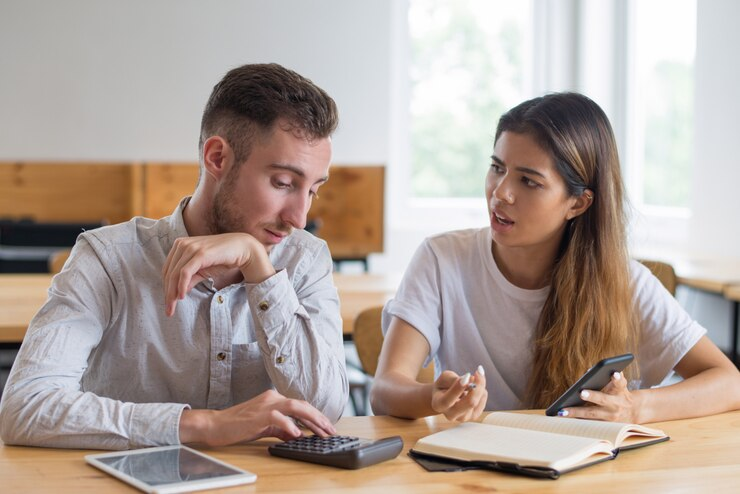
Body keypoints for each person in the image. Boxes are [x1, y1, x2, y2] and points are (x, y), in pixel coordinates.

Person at [0, 63, 348, 449]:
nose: (298, 218)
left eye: (313, 190)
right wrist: (203, 426)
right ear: (217, 158)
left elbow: (325, 408)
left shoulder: (306, 260)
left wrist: (259, 270)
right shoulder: (107, 259)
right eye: (283, 183)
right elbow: (24, 407)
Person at [371, 92, 740, 424]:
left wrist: (637, 407)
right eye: (497, 167)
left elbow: (729, 382)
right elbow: (385, 390)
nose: (501, 193)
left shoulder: (624, 282)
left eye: (528, 181)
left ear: (577, 203)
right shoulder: (441, 259)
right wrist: (433, 397)